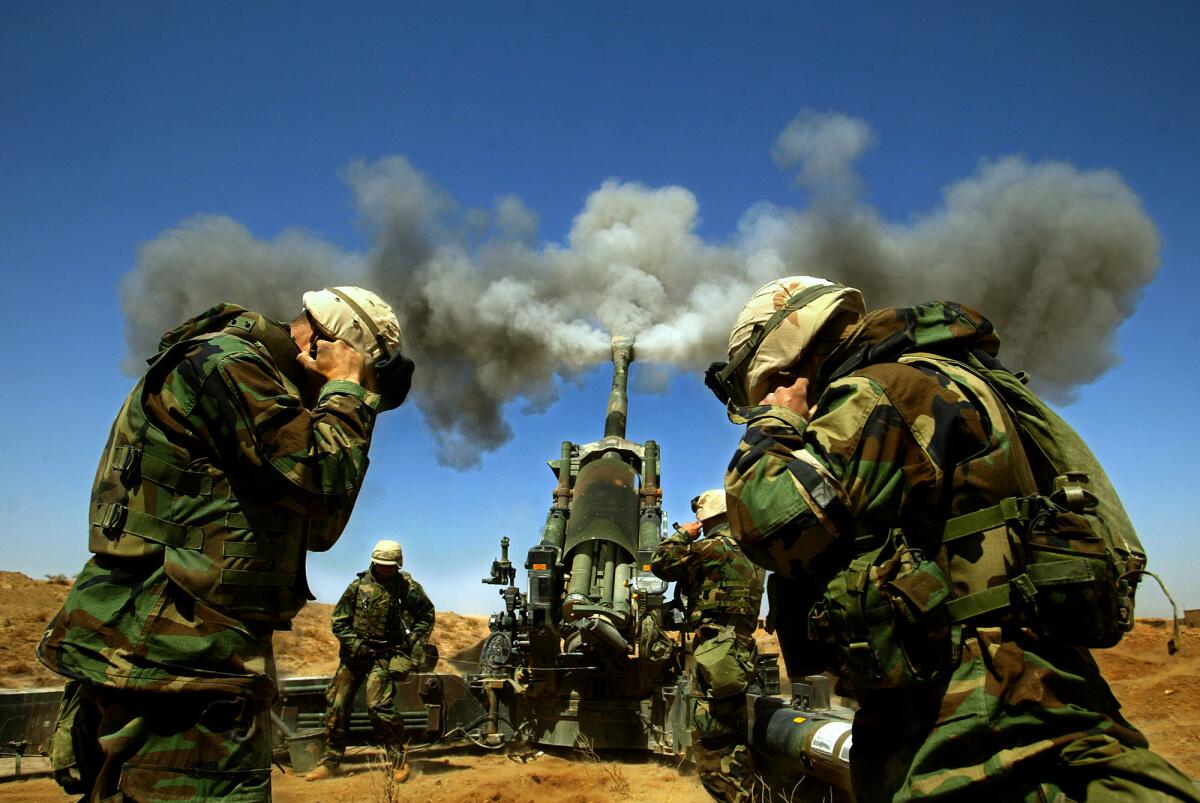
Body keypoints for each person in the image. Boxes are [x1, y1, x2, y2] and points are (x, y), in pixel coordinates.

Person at [708, 275, 1198, 802]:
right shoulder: (955, 377)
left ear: (782, 356)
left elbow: (774, 524)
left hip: (963, 722)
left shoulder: (879, 389)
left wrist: (772, 426)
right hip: (1038, 688)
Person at [38, 286, 411, 802]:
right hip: (176, 656)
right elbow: (323, 484)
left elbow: (319, 530)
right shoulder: (228, 364)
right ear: (327, 345)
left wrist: (351, 400)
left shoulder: (265, 393)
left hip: (191, 651)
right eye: (361, 371)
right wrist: (347, 390)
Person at [651, 490, 765, 803]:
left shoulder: (711, 548)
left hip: (714, 655)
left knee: (713, 744)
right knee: (733, 734)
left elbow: (660, 563)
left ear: (707, 519)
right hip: (739, 650)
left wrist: (681, 535)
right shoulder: (753, 552)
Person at [306, 538, 435, 782]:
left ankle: (398, 760)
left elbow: (426, 616)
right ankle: (331, 761)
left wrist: (410, 642)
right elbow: (339, 622)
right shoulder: (357, 586)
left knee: (378, 706)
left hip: (383, 657)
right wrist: (355, 644)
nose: (384, 569)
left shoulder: (408, 588)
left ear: (398, 564)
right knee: (337, 703)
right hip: (355, 656)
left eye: (389, 565)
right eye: (380, 564)